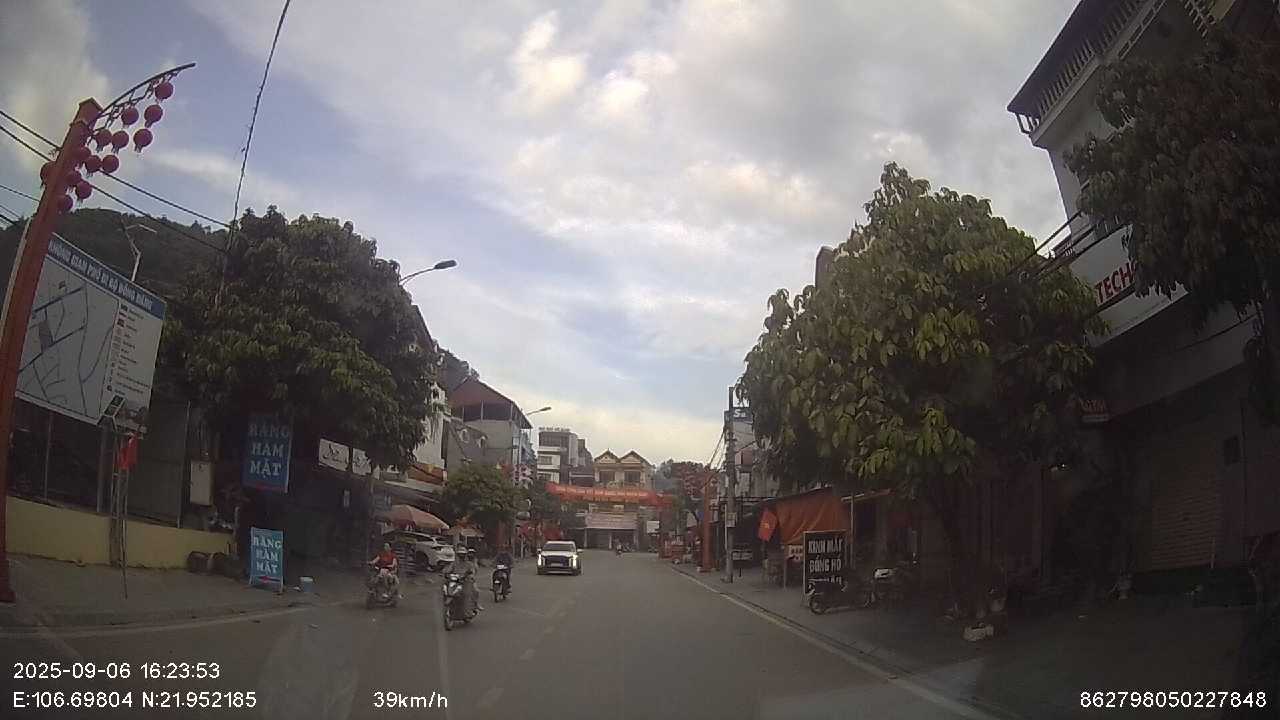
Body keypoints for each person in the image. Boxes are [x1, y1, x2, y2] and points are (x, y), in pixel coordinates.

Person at [459, 548, 483, 612]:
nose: (471, 554)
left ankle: (476, 604)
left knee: (476, 591)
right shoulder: (456, 562)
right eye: (469, 553)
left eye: (472, 553)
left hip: (468, 580)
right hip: (457, 579)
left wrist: (469, 576)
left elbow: (473, 571)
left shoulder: (472, 563)